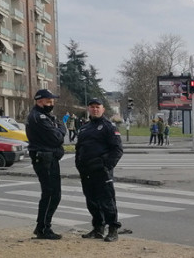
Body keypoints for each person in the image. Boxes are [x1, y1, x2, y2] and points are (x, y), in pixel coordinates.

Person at [75, 99, 124, 242]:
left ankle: (113, 229)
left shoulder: (108, 127)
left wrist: (106, 166)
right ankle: (98, 228)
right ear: (88, 109)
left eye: (97, 107)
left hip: (102, 171)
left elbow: (117, 150)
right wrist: (79, 165)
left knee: (107, 201)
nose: (95, 109)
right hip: (87, 171)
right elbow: (79, 148)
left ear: (103, 109)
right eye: (92, 107)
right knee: (91, 201)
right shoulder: (84, 128)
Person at [25, 88, 66, 240]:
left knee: (53, 194)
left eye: (52, 101)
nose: (51, 104)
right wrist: (60, 129)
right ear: (39, 101)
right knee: (51, 194)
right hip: (44, 158)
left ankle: (42, 226)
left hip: (48, 157)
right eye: (48, 101)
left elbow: (58, 129)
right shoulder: (39, 117)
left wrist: (59, 128)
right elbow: (57, 137)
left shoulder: (46, 116)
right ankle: (43, 228)